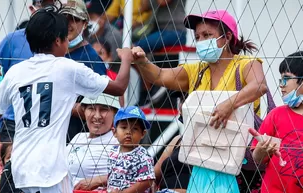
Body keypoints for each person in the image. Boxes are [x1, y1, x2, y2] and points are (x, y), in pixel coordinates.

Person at [0, 4, 132, 193]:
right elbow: (119, 87)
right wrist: (126, 58)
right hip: (52, 171)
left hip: (20, 168)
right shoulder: (67, 68)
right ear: (58, 41)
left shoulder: (16, 72)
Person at [132, 9, 268, 193]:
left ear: (227, 37)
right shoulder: (195, 70)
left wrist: (229, 104)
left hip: (238, 159)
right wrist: (142, 61)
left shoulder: (246, 63)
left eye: (207, 35)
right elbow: (159, 75)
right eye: (197, 37)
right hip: (203, 157)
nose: (201, 41)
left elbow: (259, 86)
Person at [0, 0, 56, 178]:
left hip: (46, 122)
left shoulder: (61, 40)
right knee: (8, 176)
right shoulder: (12, 41)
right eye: (44, 4)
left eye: (52, 3)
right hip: (13, 122)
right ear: (32, 9)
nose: (48, 9)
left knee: (39, 175)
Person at [250, 51, 303, 193]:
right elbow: (257, 158)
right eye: (280, 79)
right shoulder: (276, 115)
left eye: (286, 79)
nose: (281, 85)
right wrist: (262, 151)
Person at [59, 0, 108, 143]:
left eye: (74, 19)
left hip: (77, 139)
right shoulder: (53, 53)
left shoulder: (92, 59)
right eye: (64, 19)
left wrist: (59, 103)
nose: (68, 24)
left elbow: (101, 106)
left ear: (85, 23)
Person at [68, 92, 120, 189]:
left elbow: (137, 174)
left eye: (104, 109)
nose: (97, 116)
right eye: (91, 108)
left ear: (115, 113)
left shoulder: (119, 142)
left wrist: (101, 180)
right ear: (84, 111)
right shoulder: (79, 137)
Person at [108, 106, 155, 193]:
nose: (128, 132)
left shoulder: (143, 155)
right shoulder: (112, 151)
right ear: (114, 132)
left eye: (135, 128)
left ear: (143, 134)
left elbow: (147, 181)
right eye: (124, 127)